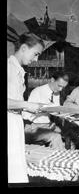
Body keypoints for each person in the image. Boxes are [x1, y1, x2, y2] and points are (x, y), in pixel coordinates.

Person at [8, 32, 45, 183]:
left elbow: (14, 100)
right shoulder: (9, 68)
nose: (36, 59)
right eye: (35, 54)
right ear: (23, 48)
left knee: (16, 167)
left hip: (15, 121)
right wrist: (26, 104)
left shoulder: (18, 70)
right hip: (9, 122)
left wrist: (30, 107)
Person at [22, 71, 69, 150]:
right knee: (56, 137)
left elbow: (55, 110)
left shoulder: (56, 92)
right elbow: (26, 114)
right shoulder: (37, 92)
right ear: (52, 80)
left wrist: (62, 114)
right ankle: (57, 160)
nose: (60, 89)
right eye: (59, 86)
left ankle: (59, 155)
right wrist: (44, 109)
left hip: (47, 124)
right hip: (32, 126)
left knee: (67, 133)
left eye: (63, 87)